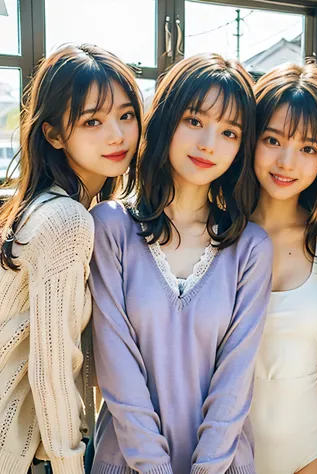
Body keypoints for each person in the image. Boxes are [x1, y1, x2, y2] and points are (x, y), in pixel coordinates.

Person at [89, 53, 273, 474]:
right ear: (167, 119)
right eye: (194, 120)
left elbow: (235, 377)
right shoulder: (111, 228)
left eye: (229, 132)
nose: (209, 143)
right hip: (125, 462)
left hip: (223, 464)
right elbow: (117, 370)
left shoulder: (250, 247)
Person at [0, 43, 141, 474]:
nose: (116, 134)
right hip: (26, 456)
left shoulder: (44, 205)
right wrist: (69, 466)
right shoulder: (66, 220)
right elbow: (52, 373)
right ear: (54, 134)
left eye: (126, 115)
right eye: (92, 121)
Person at [249, 61, 317, 474]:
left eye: (308, 148)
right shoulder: (215, 233)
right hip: (219, 445)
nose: (287, 162)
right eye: (273, 139)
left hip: (309, 447)